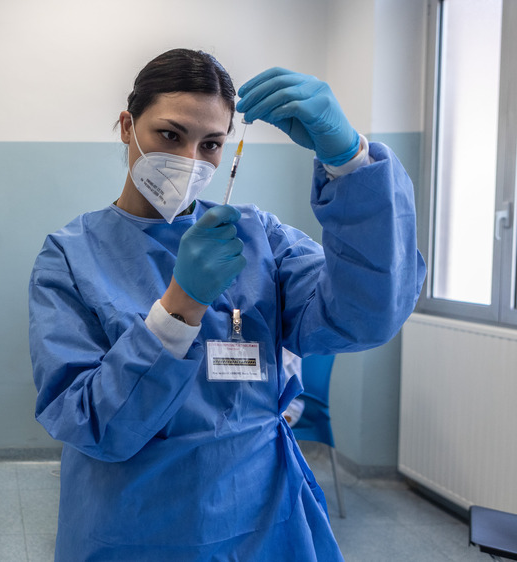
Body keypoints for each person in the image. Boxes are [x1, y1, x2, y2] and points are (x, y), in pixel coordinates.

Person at [28, 48, 425, 560]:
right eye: (169, 135)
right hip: (135, 526)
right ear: (127, 126)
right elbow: (88, 423)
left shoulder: (257, 238)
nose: (190, 160)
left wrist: (349, 163)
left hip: (263, 519)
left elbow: (368, 314)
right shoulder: (71, 255)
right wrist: (179, 307)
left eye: (211, 144)